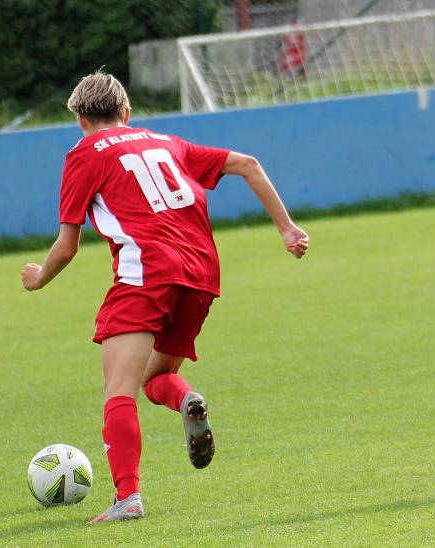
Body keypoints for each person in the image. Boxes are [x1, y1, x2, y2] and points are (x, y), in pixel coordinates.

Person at [21, 72, 309, 522]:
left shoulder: (82, 154)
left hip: (146, 272)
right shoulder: (166, 141)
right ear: (127, 111)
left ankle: (128, 498)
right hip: (201, 273)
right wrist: (288, 229)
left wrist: (38, 278)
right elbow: (249, 164)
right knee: (156, 380)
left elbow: (68, 245)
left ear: (80, 118)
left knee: (118, 389)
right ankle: (187, 399)